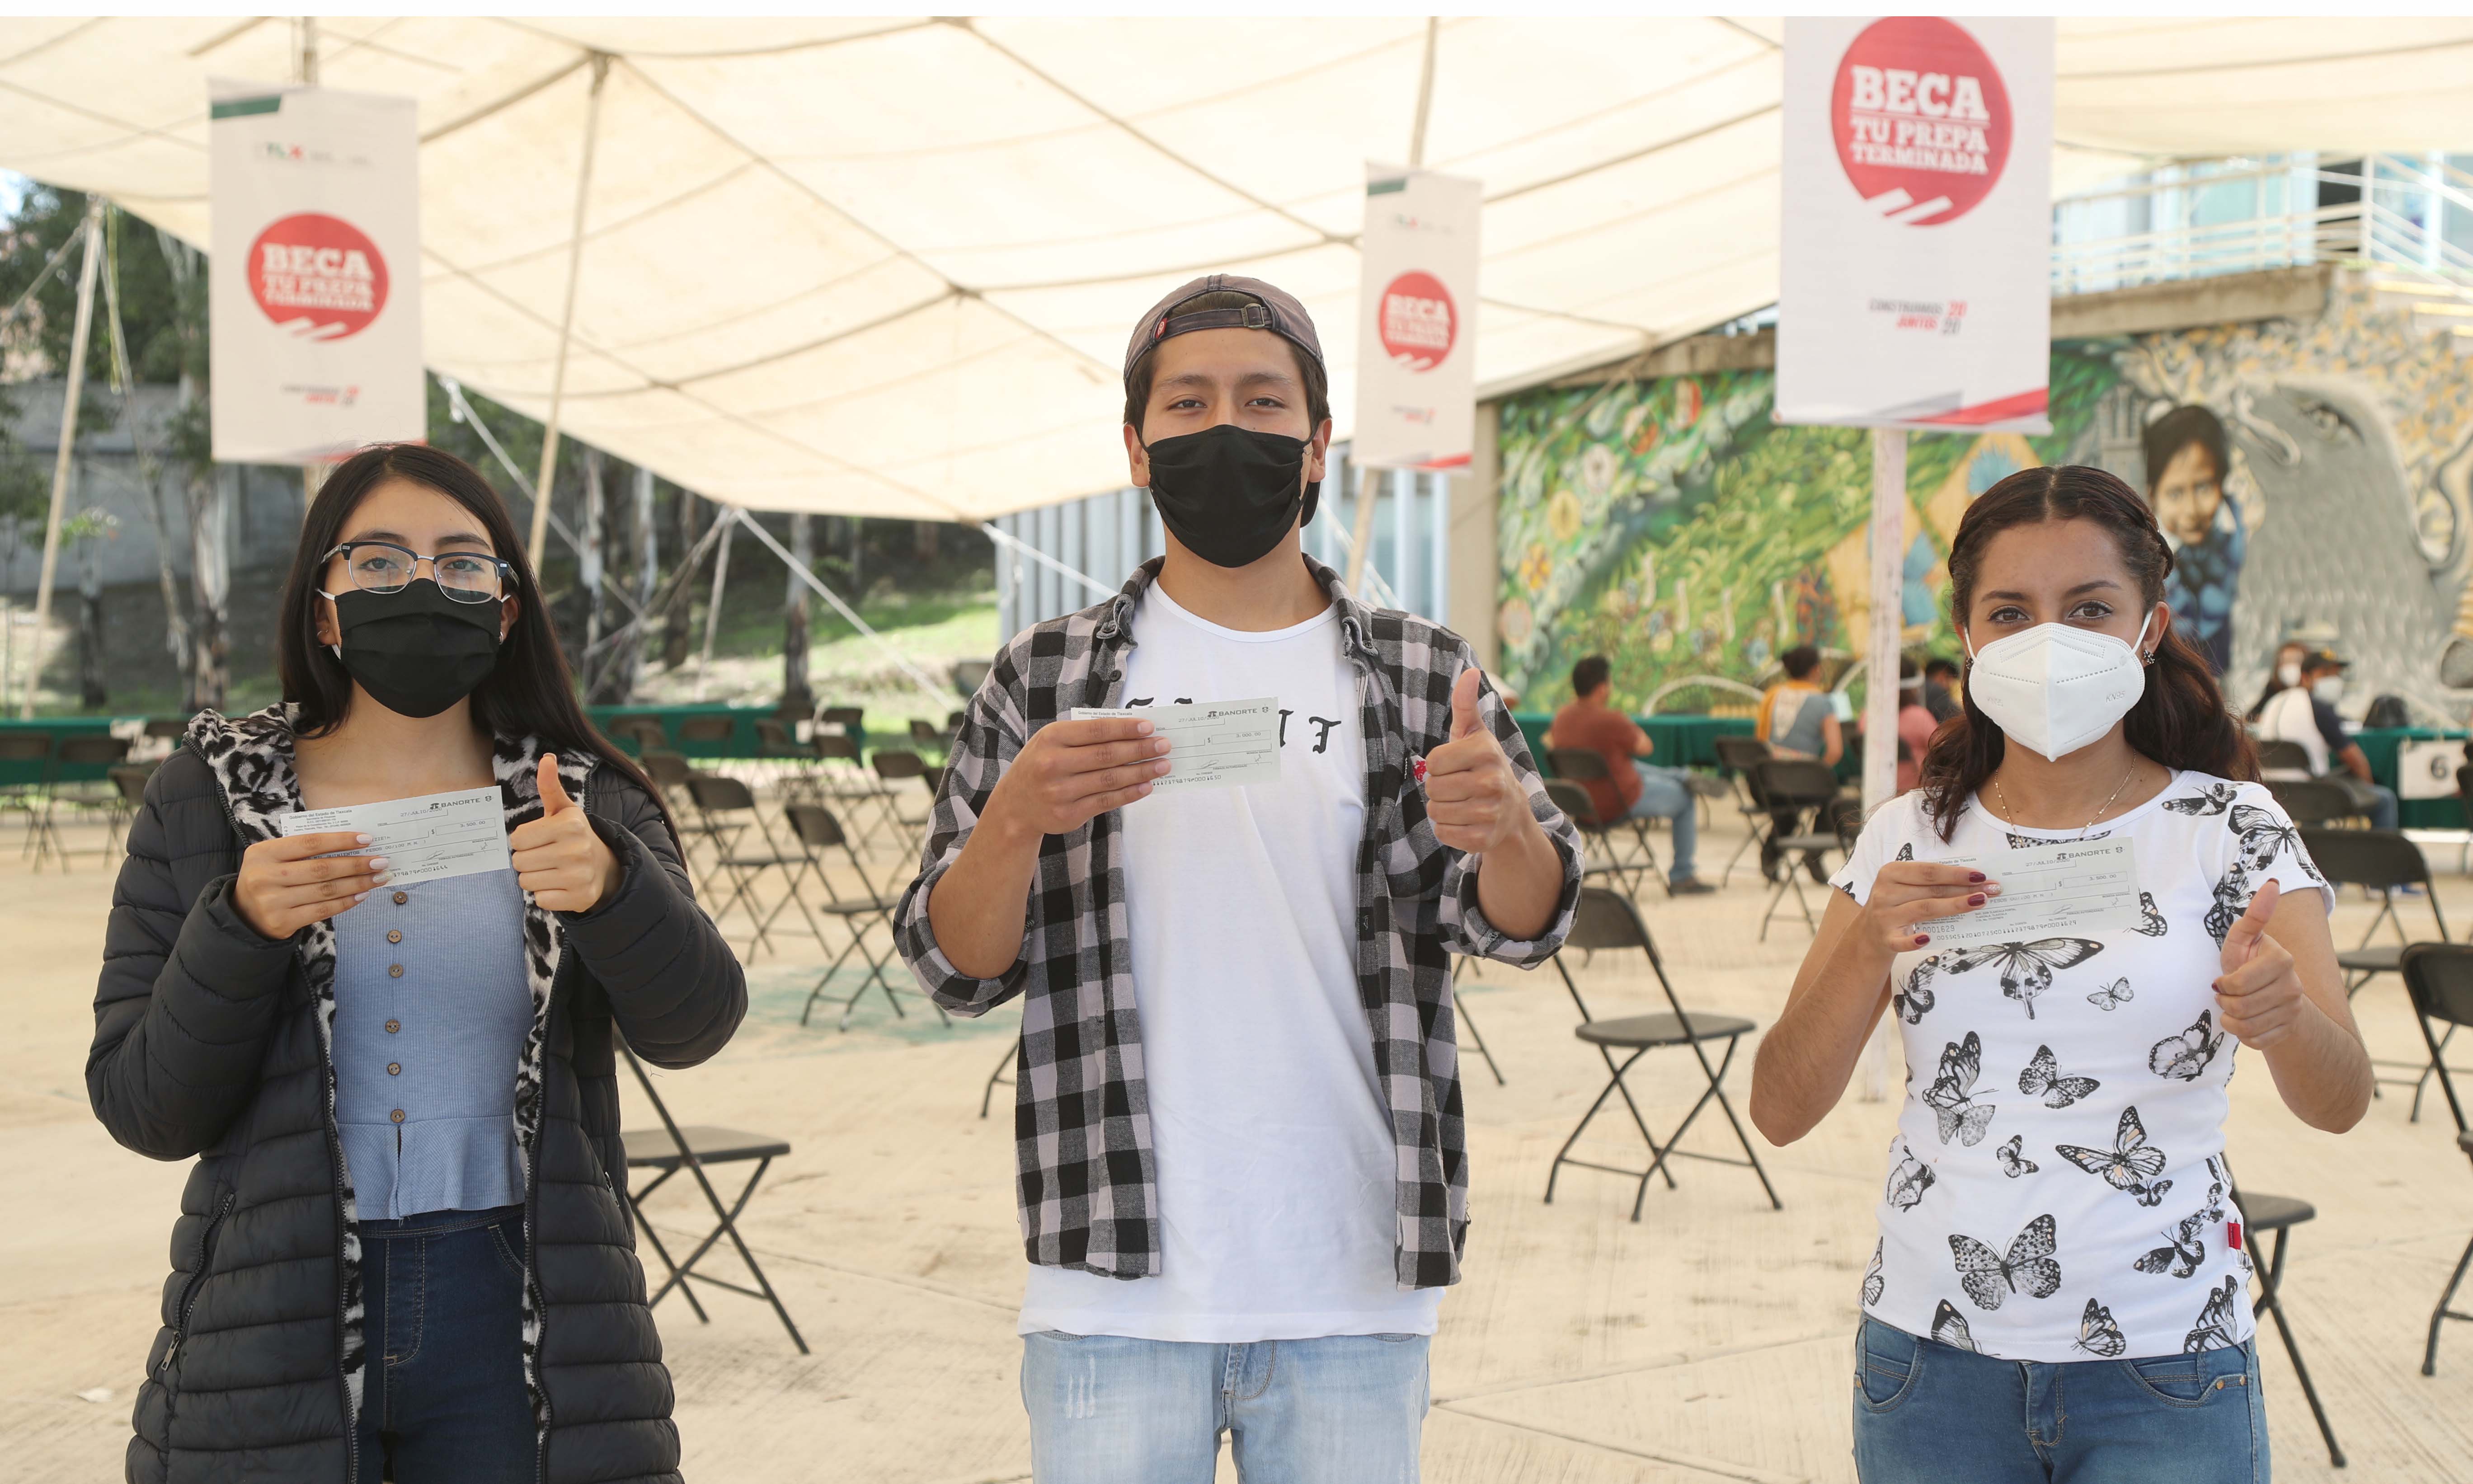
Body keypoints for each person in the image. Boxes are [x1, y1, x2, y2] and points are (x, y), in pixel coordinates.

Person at [895, 274, 1583, 1482]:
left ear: (1317, 445)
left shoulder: (1423, 675)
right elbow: (956, 965)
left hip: (1352, 1284)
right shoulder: (1046, 677)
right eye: (1188, 402)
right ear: (1136, 445)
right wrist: (1013, 820)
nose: (1226, 427)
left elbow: (1525, 924)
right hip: (1111, 1291)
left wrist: (1507, 828)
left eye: (1264, 401)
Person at [89, 445, 747, 1484]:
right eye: (382, 561)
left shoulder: (581, 798)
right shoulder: (208, 799)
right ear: (323, 606)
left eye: (461, 563)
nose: (424, 587)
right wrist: (240, 927)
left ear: (505, 607)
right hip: (274, 1308)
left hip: (520, 1301)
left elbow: (695, 1026)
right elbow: (144, 1108)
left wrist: (616, 890)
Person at [1748, 465, 2369, 1484]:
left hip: (2169, 1360)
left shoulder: (2231, 830)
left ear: (2149, 628)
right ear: (1967, 636)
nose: (2049, 640)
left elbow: (2340, 1103)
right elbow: (1779, 1110)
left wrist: (2287, 1016)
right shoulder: (1906, 837)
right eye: (2010, 611)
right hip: (1931, 1362)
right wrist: (1866, 949)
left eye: (2088, 608)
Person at [1546, 653, 1716, 893]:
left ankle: (1682, 775)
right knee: (1685, 798)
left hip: (1581, 805)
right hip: (1620, 800)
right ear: (1603, 688)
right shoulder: (1611, 720)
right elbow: (1646, 747)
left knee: (1630, 766)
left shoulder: (1561, 718)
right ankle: (1683, 874)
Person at [2145, 405, 2242, 676]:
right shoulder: (2145, 558)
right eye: (2175, 494)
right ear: (2153, 495)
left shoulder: (2229, 539)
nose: (2192, 510)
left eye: (2203, 488)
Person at [2256, 650, 2400, 830]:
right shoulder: (2318, 708)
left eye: (2336, 675)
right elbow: (2356, 761)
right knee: (2385, 799)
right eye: (2325, 674)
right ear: (2305, 678)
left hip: (2271, 789)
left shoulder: (2274, 702)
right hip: (2311, 793)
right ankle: (2381, 849)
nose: (2333, 680)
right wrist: (2368, 793)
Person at [1757, 643, 1846, 879]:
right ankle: (1814, 855)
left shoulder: (1771, 696)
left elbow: (1761, 742)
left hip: (1769, 782)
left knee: (1789, 805)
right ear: (1816, 670)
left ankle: (1772, 851)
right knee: (1834, 800)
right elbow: (1835, 750)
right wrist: (1815, 771)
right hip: (1805, 784)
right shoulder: (1824, 702)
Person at [1889, 658, 1939, 795]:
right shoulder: (1919, 717)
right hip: (1916, 792)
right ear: (1913, 687)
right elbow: (1943, 750)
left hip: (1878, 789)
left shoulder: (1868, 718)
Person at [2247, 639, 2308, 723]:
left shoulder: (2312, 693)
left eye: (2296, 661)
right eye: (2286, 661)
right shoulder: (2273, 688)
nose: (2291, 666)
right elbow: (2250, 716)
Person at [1922, 656, 1964, 725]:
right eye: (1947, 677)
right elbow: (1957, 717)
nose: (1949, 684)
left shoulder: (1919, 691)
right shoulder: (1937, 694)